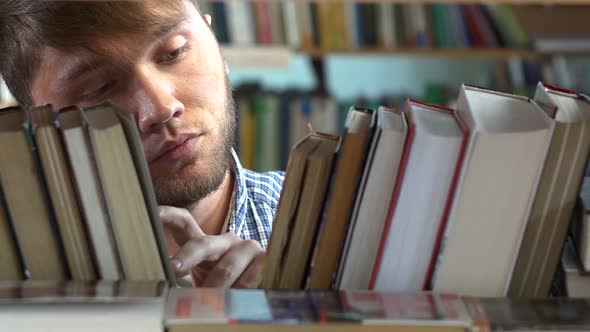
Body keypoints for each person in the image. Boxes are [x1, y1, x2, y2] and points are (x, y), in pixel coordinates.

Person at [0, 1, 284, 288]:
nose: (161, 108)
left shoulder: (325, 231)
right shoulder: (16, 275)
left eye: (174, 52)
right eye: (99, 88)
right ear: (34, 123)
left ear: (216, 43)